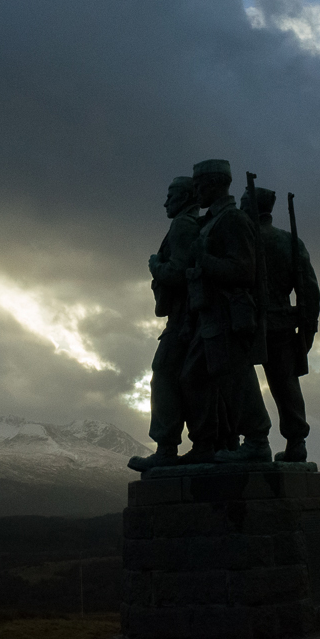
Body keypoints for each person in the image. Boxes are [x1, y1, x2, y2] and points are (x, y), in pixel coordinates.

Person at [184, 159, 272, 464]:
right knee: (192, 377)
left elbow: (244, 271)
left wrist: (204, 259)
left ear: (213, 184)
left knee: (236, 377)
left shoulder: (232, 220)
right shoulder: (213, 221)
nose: (196, 191)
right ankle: (206, 444)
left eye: (199, 185)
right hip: (208, 314)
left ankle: (257, 440)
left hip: (227, 314)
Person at [239, 186, 320, 462]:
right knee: (286, 385)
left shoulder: (244, 241)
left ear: (251, 207)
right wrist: (308, 330)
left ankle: (249, 439)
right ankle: (296, 442)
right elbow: (309, 291)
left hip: (247, 324)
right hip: (282, 324)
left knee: (240, 380)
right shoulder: (289, 241)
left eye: (243, 202)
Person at [128, 177, 200, 472]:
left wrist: (155, 266)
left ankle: (166, 447)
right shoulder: (192, 224)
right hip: (189, 316)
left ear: (185, 198)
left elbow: (178, 271)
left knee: (164, 375)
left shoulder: (182, 225)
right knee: (187, 379)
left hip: (184, 318)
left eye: (171, 196)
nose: (165, 202)